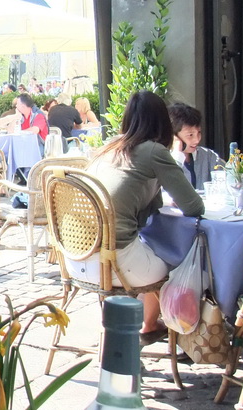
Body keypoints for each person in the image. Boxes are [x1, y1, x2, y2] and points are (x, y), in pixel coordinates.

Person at [65, 90, 204, 344]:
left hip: (77, 258)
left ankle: (130, 328)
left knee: (149, 250)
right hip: (116, 262)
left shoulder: (111, 147)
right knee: (178, 264)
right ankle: (166, 331)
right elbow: (194, 207)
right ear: (163, 121)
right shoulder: (152, 151)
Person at [167, 102, 224, 190]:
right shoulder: (162, 159)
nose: (197, 140)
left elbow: (227, 178)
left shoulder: (208, 156)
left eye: (199, 133)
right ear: (174, 136)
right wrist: (177, 156)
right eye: (190, 135)